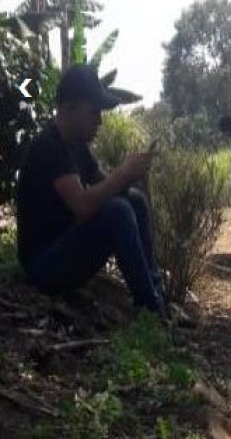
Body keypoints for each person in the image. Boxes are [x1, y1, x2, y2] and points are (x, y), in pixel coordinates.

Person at [15, 64, 166, 316]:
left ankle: (156, 294)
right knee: (118, 211)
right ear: (68, 108)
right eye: (94, 112)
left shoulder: (76, 146)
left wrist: (131, 175)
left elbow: (107, 186)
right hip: (44, 265)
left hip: (67, 247)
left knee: (133, 201)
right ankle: (150, 310)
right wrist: (123, 173)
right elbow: (83, 205)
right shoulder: (48, 146)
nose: (100, 121)